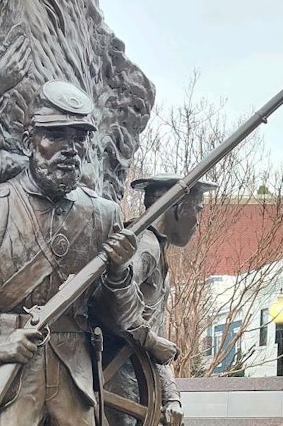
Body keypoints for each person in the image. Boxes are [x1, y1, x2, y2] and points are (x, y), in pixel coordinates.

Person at [0, 80, 138, 426]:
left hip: (75, 385)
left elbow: (119, 321)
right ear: (28, 142)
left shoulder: (104, 216)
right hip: (7, 384)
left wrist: (120, 273)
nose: (70, 149)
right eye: (56, 136)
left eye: (79, 138)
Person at [102, 174, 217, 426]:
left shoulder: (154, 249)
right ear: (177, 207)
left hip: (137, 387)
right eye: (197, 209)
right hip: (116, 387)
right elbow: (109, 305)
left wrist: (172, 398)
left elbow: (158, 344)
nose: (198, 221)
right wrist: (151, 341)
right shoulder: (145, 245)